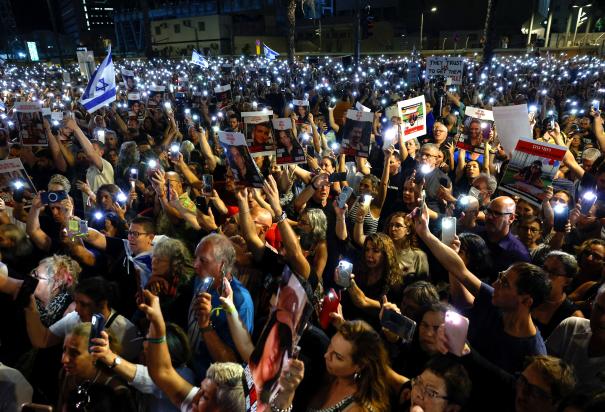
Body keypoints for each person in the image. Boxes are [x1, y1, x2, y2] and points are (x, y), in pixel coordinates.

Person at [414, 202, 551, 373]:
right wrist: (425, 234)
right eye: (500, 278)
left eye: (504, 284)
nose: (494, 285)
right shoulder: (496, 301)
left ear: (526, 300)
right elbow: (459, 270)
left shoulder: (533, 353)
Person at [138, 290, 245, 412]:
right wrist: (156, 322)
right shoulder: (196, 405)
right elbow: (162, 372)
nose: (195, 399)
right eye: (200, 391)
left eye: (205, 397)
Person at [272, 320, 394, 412]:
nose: (326, 355)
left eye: (338, 357)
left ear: (360, 366)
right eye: (330, 345)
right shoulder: (326, 371)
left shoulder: (358, 408)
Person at [24, 276, 141, 361]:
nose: (76, 309)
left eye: (84, 304)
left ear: (102, 304)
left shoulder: (126, 331)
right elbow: (43, 340)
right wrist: (31, 308)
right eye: (76, 303)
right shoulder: (75, 318)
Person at [89, 322, 195, 412]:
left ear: (167, 355)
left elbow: (149, 378)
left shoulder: (184, 375)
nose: (144, 343)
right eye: (146, 339)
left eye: (149, 350)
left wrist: (111, 357)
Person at [58, 322, 136, 411]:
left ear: (96, 355)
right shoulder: (66, 375)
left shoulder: (118, 392)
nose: (64, 359)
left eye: (74, 353)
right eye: (64, 350)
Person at [546, 283, 605, 388]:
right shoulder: (571, 327)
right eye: (599, 309)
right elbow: (540, 371)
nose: (601, 319)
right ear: (592, 305)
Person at [478, 196, 531, 273]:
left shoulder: (520, 255)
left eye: (497, 213)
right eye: (488, 211)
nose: (489, 217)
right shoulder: (476, 236)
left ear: (511, 218)